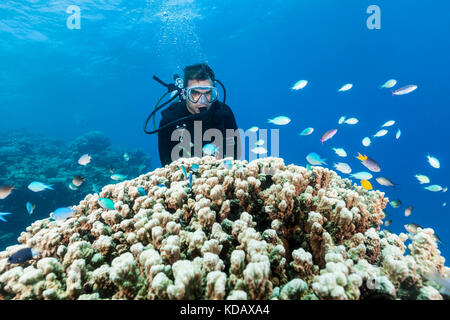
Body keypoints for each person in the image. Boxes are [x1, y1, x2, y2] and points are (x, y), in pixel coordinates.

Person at [158, 63, 240, 167]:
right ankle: (177, 88)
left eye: (208, 93)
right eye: (195, 93)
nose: (202, 101)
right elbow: (166, 164)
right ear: (184, 93)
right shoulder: (169, 120)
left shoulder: (224, 113)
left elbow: (235, 155)